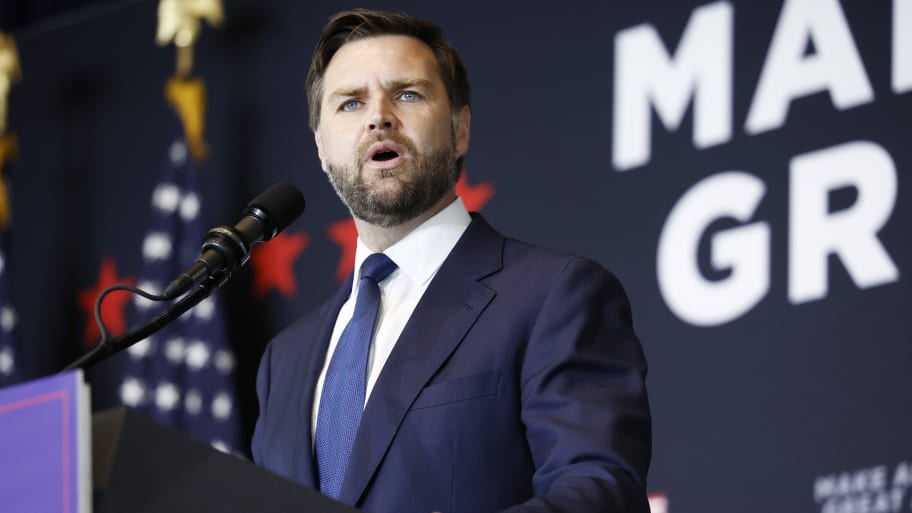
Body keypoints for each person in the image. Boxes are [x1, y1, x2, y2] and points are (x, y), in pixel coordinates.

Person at [252, 9, 652, 513]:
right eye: (351, 103)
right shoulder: (282, 362)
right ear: (321, 149)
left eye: (408, 94)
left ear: (460, 129)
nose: (379, 117)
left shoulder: (554, 296)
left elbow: (599, 491)